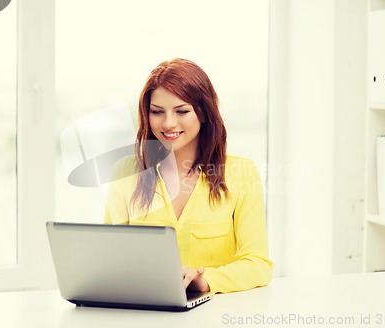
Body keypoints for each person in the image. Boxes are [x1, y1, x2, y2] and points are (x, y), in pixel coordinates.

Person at [104, 58, 273, 293]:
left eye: (182, 111)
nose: (169, 123)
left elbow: (258, 265)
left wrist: (204, 281)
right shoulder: (126, 173)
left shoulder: (241, 173)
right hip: (146, 312)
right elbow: (110, 258)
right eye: (157, 112)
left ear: (204, 113)